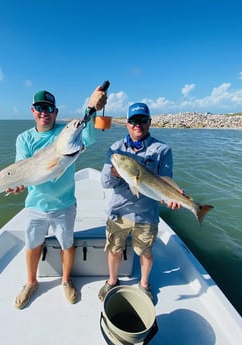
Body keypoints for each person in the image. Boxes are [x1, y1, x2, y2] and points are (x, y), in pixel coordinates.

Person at [11, 86, 107, 309]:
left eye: (49, 108)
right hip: (35, 205)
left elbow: (88, 136)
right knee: (33, 245)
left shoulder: (67, 131)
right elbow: (22, 168)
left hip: (64, 204)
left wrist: (91, 107)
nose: (44, 112)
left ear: (55, 111)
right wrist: (17, 183)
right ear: (32, 111)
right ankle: (31, 282)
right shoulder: (24, 139)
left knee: (67, 244)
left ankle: (66, 280)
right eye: (39, 108)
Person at [98, 102, 181, 302]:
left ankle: (144, 284)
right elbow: (105, 182)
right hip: (119, 212)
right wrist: (115, 172)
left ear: (149, 122)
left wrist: (173, 197)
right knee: (114, 249)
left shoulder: (162, 149)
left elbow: (165, 181)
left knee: (146, 252)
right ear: (127, 124)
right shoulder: (116, 150)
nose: (138, 124)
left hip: (147, 214)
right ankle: (112, 280)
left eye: (142, 120)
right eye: (133, 121)